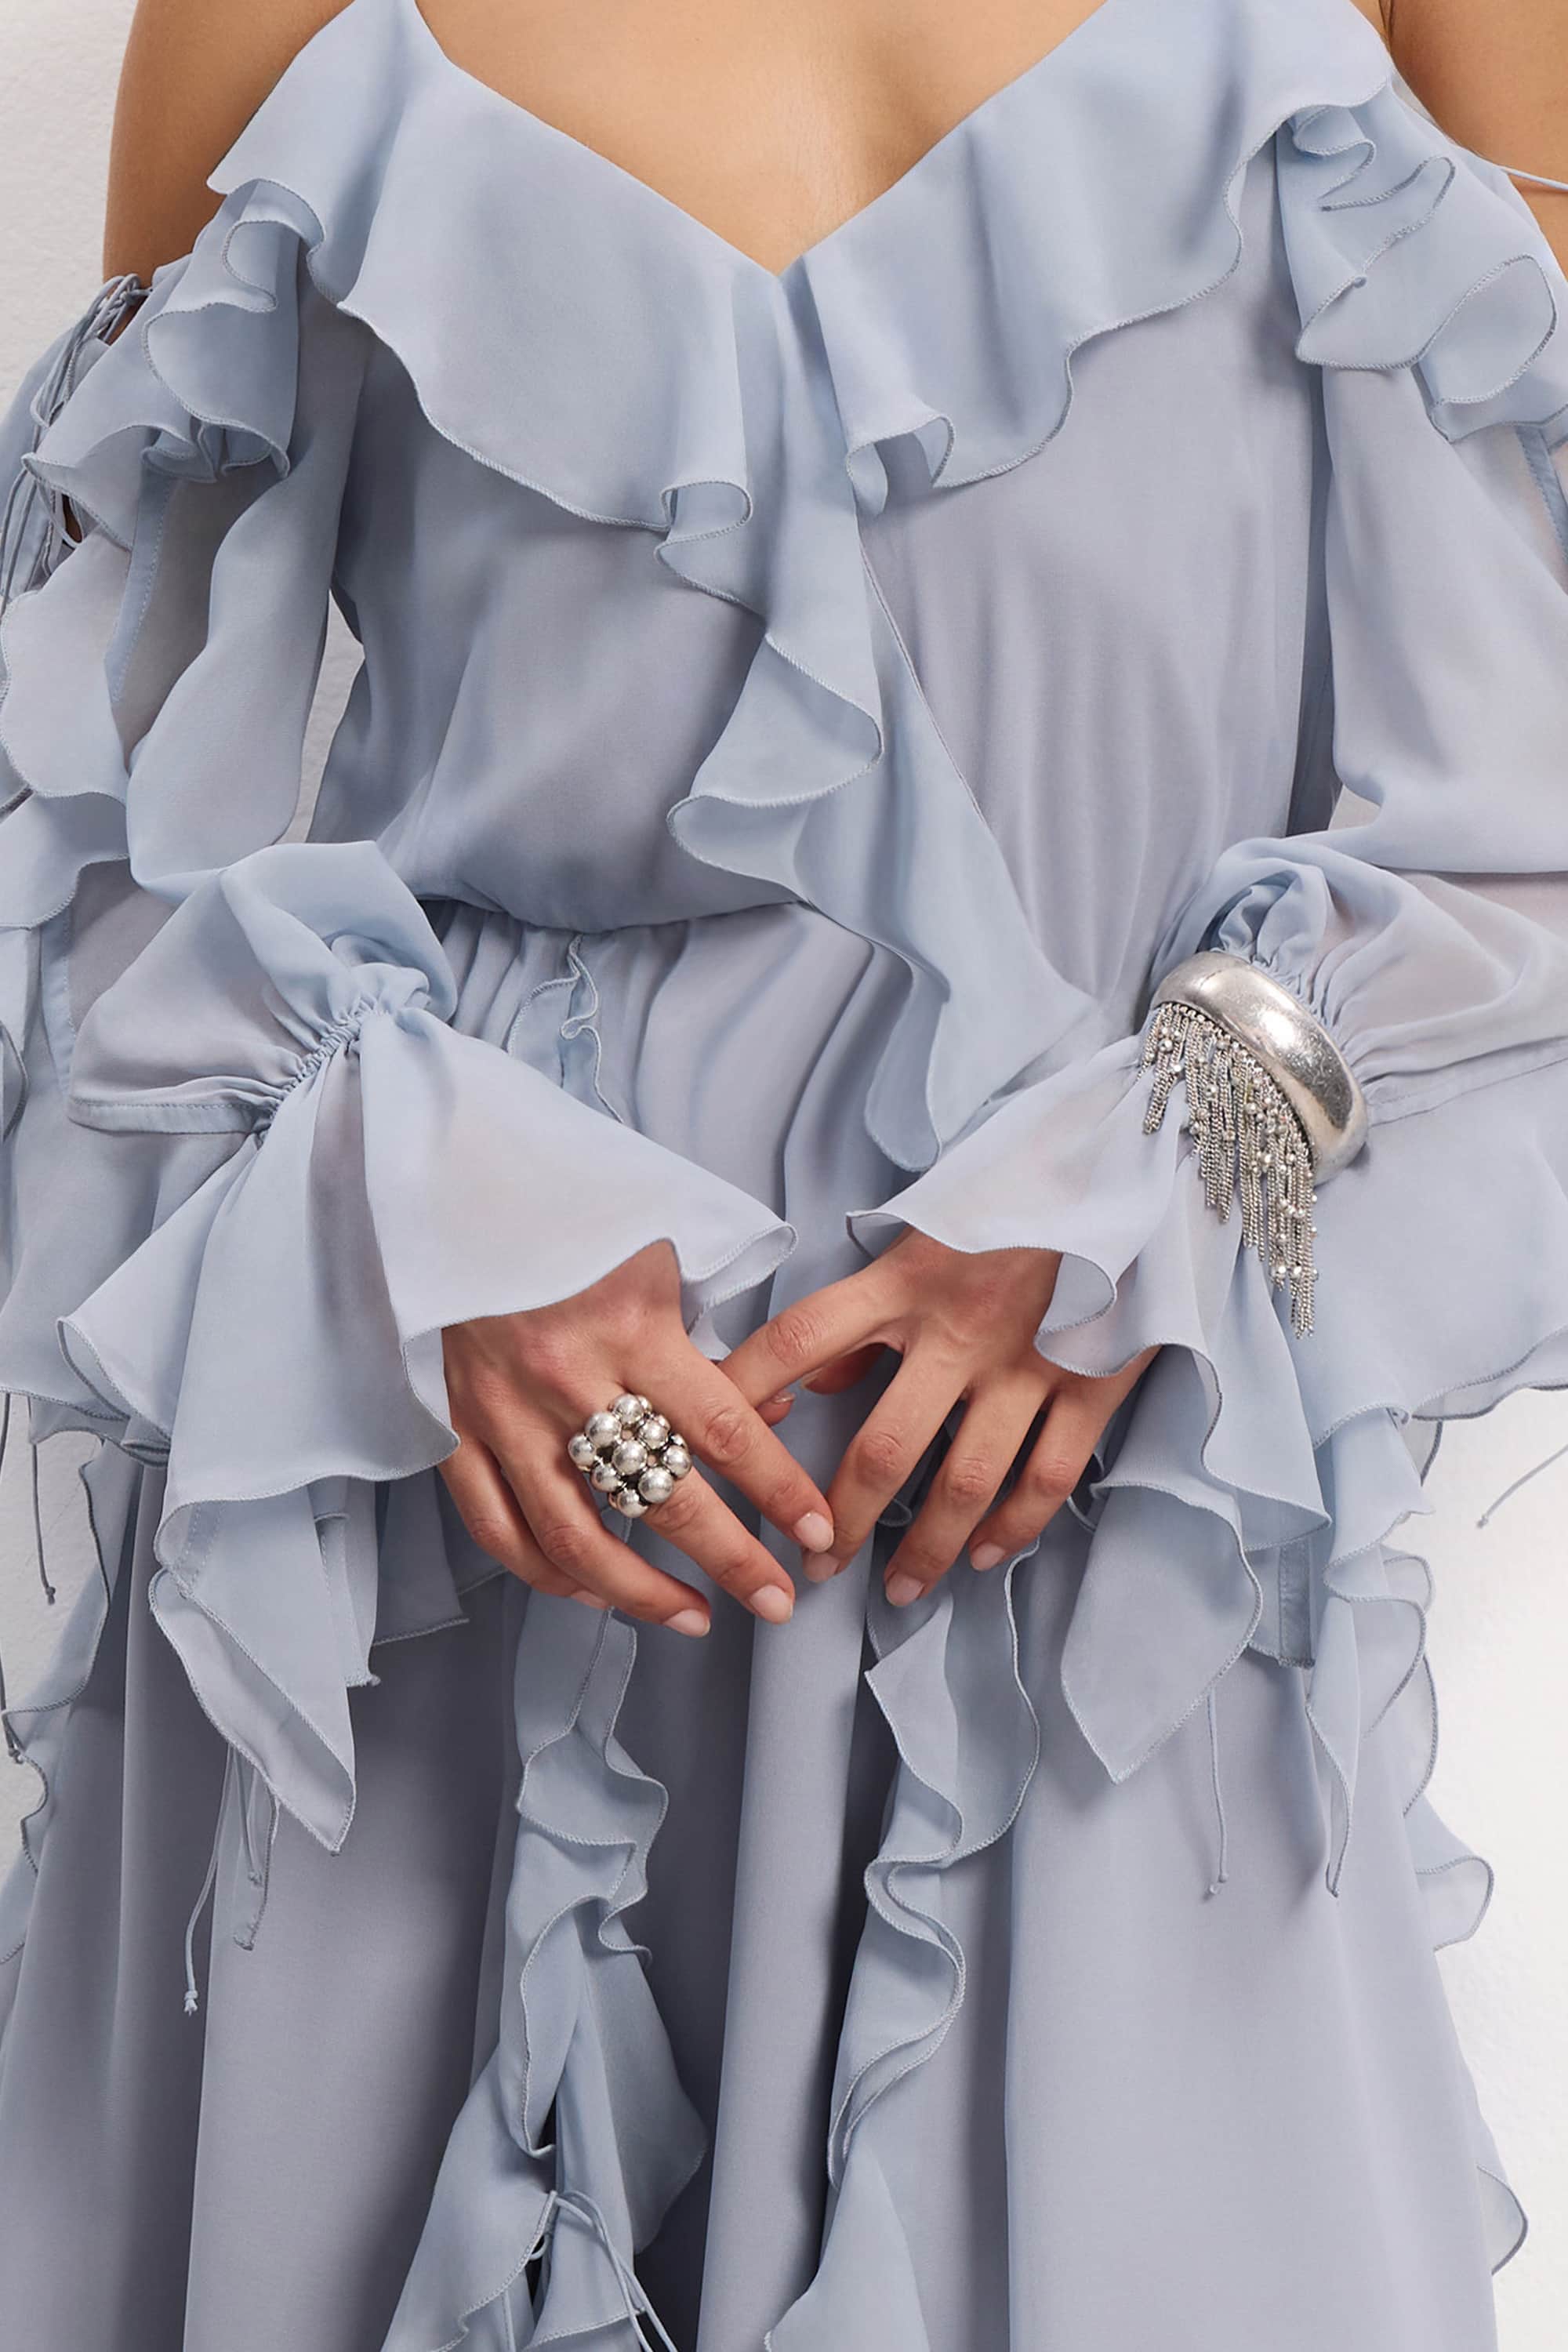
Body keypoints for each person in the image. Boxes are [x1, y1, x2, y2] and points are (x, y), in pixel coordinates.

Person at [0, 0, 1565, 2344]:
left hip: (1088, 1484)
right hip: (472, 1480)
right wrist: (408, 1218)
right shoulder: (275, 13)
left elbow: (1536, 835)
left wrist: (1177, 1150)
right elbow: (77, 819)